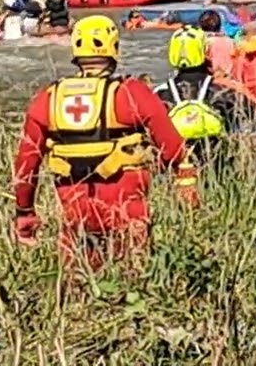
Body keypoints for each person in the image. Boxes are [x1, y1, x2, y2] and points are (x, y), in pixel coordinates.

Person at [11, 15, 200, 271]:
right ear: (114, 49)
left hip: (74, 207)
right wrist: (178, 178)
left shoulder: (48, 98)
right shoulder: (131, 92)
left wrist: (25, 212)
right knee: (133, 274)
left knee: (75, 278)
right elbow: (173, 147)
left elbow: (26, 163)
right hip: (126, 205)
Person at [154, 27, 256, 174]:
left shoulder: (159, 94)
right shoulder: (222, 91)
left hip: (175, 172)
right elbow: (255, 116)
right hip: (218, 172)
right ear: (205, 53)